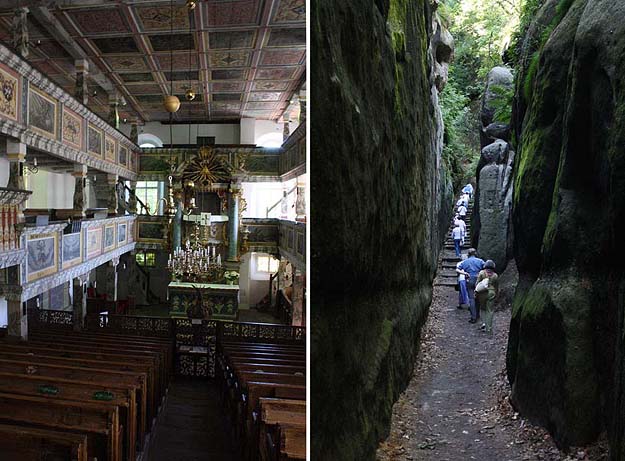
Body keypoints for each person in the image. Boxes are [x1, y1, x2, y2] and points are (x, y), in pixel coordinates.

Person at [457, 248, 485, 323]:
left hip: (469, 279)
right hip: (478, 280)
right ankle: (478, 315)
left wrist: (464, 273)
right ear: (475, 253)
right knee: (478, 297)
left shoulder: (465, 262)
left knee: (471, 298)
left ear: (468, 254)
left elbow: (457, 269)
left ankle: (473, 317)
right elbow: (485, 268)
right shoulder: (480, 261)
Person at [476, 260, 499, 334]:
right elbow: (496, 286)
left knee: (483, 308)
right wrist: (496, 293)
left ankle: (484, 323)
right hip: (491, 293)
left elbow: (477, 283)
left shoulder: (482, 273)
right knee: (490, 310)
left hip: (482, 293)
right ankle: (489, 329)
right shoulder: (495, 275)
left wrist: (475, 292)